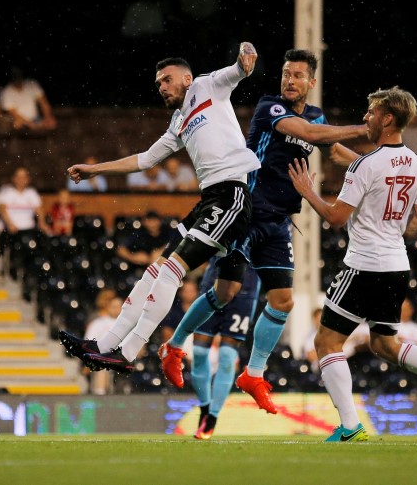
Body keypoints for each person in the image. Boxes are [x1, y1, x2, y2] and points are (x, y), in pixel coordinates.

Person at [158, 49, 368, 415]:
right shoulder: (269, 108)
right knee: (225, 293)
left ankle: (253, 375)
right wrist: (367, 129)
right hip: (247, 211)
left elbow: (330, 147)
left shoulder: (317, 116)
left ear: (311, 83)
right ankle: (174, 346)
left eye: (298, 75)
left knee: (284, 302)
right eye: (286, 73)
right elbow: (309, 134)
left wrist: (375, 163)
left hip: (278, 221)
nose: (290, 80)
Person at [287, 85, 417, 442]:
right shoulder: (416, 163)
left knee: (327, 344)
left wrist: (307, 192)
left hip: (364, 265)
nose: (365, 118)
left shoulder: (366, 165)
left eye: (371, 112)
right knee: (384, 346)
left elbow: (335, 217)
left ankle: (349, 425)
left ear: (387, 118)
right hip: (396, 266)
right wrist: (389, 227)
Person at [59, 41, 262, 374]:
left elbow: (239, 71)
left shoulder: (207, 85)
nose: (161, 87)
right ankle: (106, 344)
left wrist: (245, 58)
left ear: (186, 78)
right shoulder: (179, 121)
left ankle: (129, 351)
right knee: (157, 268)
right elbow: (145, 160)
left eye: (166, 80)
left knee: (171, 271)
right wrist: (96, 170)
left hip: (232, 198)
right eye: (158, 84)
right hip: (209, 200)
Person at [183, 263, 260, 440]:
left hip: (245, 292)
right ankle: (205, 407)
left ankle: (212, 417)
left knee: (227, 356)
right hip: (214, 284)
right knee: (199, 352)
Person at [0, 167, 52, 277]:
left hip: (28, 229)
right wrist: (10, 224)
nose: (21, 179)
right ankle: (10, 269)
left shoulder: (31, 193)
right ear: (14, 179)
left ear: (28, 179)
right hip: (12, 229)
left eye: (24, 177)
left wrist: (42, 222)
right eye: (19, 177)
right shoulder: (7, 192)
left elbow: (39, 210)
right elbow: (2, 209)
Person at [83, 290, 122, 395]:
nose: (116, 309)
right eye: (114, 306)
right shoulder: (98, 323)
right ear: (108, 307)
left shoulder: (127, 324)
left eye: (119, 306)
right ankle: (100, 395)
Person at [1, 66, 57, 131]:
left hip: (35, 119)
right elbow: (13, 113)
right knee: (17, 124)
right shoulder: (7, 91)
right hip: (19, 121)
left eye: (18, 74)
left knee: (52, 123)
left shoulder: (32, 84)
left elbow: (44, 103)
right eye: (14, 75)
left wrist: (48, 117)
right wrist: (30, 124)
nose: (17, 77)